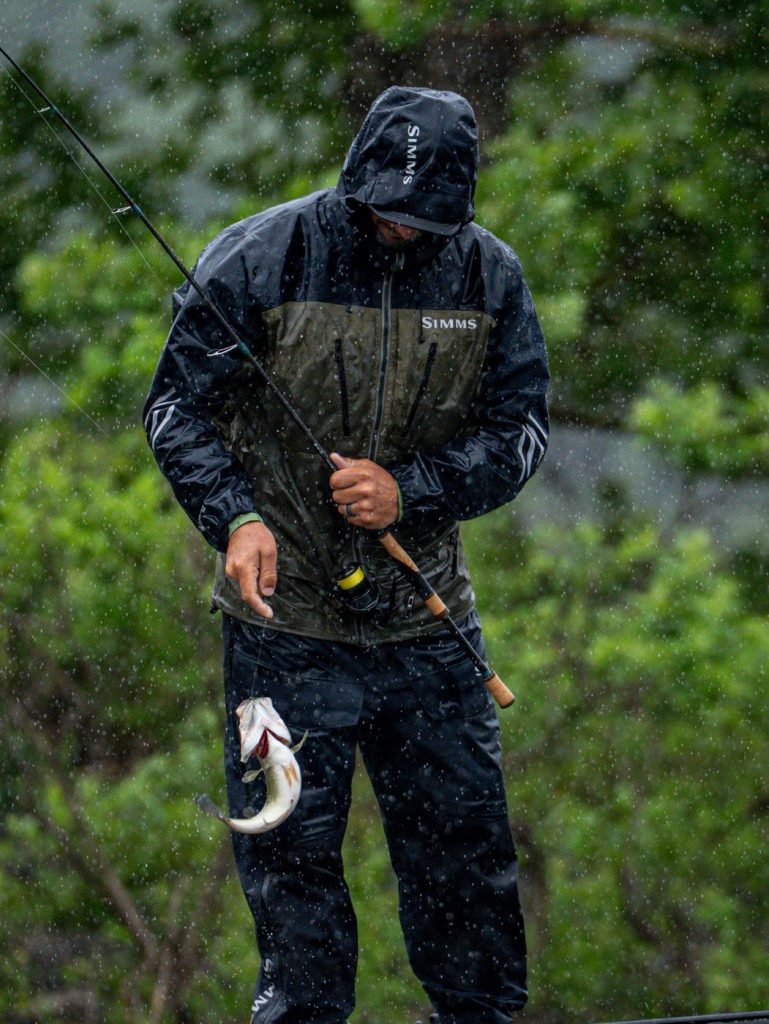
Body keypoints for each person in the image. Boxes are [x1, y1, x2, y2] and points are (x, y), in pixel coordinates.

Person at [144, 85, 549, 1024]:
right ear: (354, 179)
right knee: (289, 862)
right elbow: (173, 408)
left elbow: (522, 430)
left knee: (466, 866)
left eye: (424, 221)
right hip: (277, 637)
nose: (400, 230)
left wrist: (415, 490)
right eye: (384, 210)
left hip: (431, 634)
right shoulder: (260, 257)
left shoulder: (491, 277)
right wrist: (234, 518)